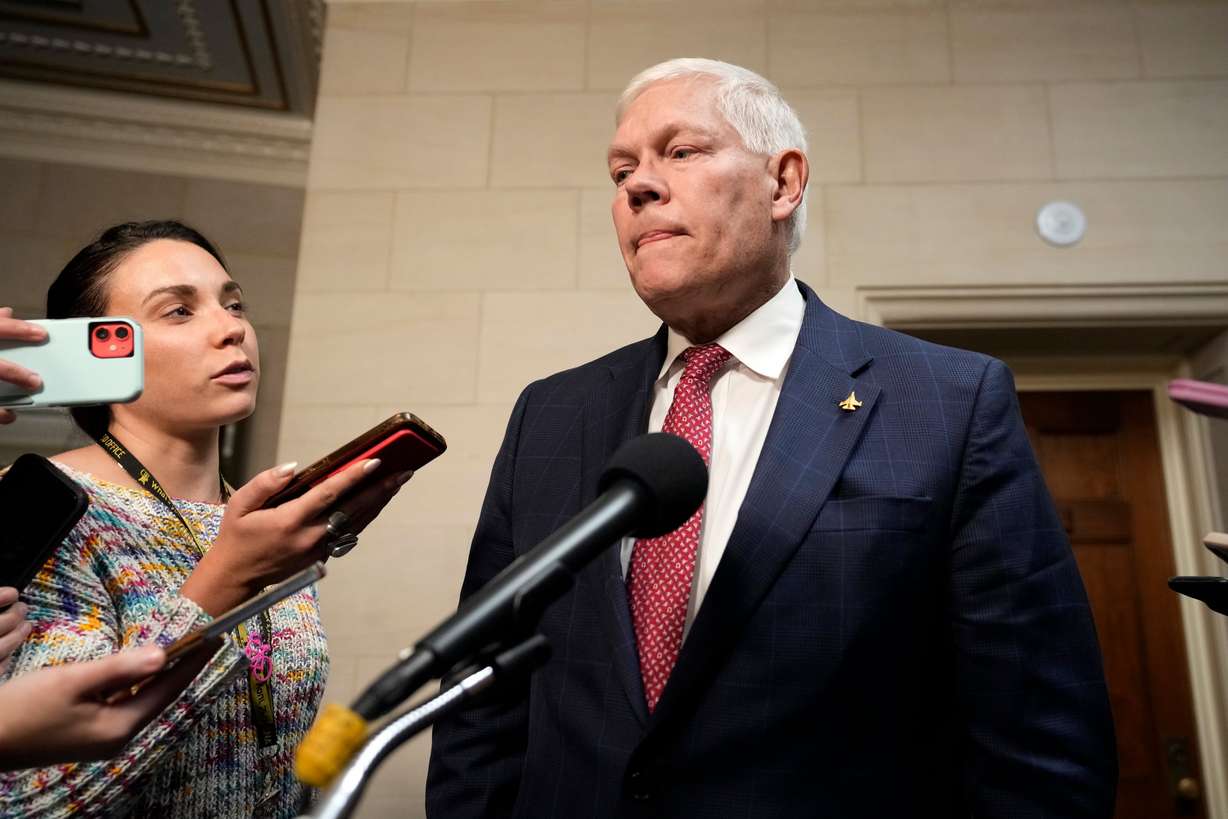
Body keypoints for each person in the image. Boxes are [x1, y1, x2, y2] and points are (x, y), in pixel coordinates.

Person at [426, 59, 1117, 818]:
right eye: (622, 169)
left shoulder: (948, 402)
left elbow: (1039, 733)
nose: (636, 186)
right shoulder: (551, 415)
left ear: (783, 183)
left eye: (680, 152)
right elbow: (481, 702)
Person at [0, 220, 410, 817]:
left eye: (233, 302)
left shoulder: (258, 522)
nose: (232, 328)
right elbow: (40, 796)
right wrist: (227, 581)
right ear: (97, 348)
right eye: (179, 312)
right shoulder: (44, 508)